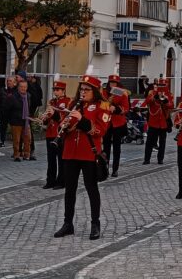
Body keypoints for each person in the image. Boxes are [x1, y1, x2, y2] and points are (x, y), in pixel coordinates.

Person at [53, 75, 110, 240]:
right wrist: (64, 124)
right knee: (69, 189)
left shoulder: (102, 106)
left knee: (91, 188)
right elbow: (65, 125)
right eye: (82, 89)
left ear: (95, 91)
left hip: (89, 153)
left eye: (87, 89)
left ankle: (95, 224)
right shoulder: (73, 104)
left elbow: (100, 130)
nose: (83, 92)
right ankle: (67, 223)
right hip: (70, 152)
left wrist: (81, 119)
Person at [41, 80, 71, 189]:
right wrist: (44, 118)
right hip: (50, 133)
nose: (55, 92)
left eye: (58, 90)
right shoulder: (51, 102)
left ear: (63, 91)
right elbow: (48, 119)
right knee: (51, 159)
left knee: (61, 159)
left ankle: (61, 181)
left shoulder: (68, 101)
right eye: (54, 90)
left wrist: (54, 114)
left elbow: (64, 118)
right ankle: (50, 181)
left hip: (60, 133)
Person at [102, 74, 130, 178]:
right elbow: (100, 104)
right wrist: (106, 106)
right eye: (111, 83)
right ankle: (105, 169)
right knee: (106, 148)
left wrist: (117, 109)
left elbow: (126, 108)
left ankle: (115, 169)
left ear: (118, 84)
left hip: (118, 122)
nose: (112, 84)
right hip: (106, 123)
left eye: (115, 83)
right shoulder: (104, 92)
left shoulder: (122, 92)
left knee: (117, 148)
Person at [143, 79, 172, 164]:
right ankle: (147, 159)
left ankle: (160, 159)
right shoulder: (152, 93)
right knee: (149, 142)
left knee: (162, 142)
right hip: (153, 122)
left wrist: (166, 101)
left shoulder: (168, 94)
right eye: (160, 86)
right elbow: (146, 102)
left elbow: (171, 105)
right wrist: (154, 97)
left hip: (163, 123)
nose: (161, 88)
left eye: (163, 86)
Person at [4, 80, 33, 161]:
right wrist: (10, 120)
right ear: (18, 87)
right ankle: (16, 155)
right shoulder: (13, 97)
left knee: (28, 139)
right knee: (16, 140)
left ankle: (26, 155)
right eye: (21, 87)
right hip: (16, 121)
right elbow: (7, 109)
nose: (23, 88)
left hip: (26, 121)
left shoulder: (28, 96)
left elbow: (29, 107)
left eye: (25, 87)